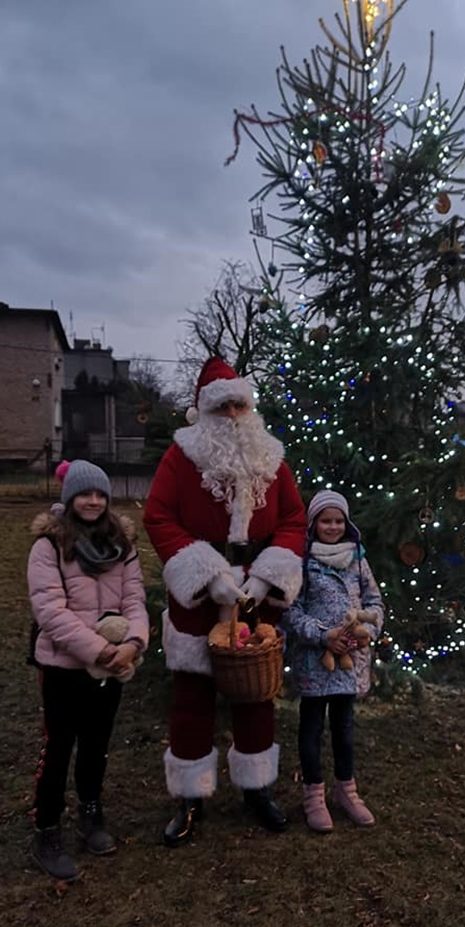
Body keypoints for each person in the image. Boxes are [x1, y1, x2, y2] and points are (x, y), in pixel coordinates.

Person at [143, 356, 306, 847]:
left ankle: (256, 788)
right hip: (200, 593)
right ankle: (190, 798)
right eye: (224, 406)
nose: (234, 414)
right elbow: (158, 517)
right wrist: (207, 574)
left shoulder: (272, 458)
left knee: (255, 695)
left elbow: (294, 520)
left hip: (256, 592)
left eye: (241, 404)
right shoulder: (180, 457)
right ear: (205, 411)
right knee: (192, 697)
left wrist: (266, 578)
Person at [27, 459, 149, 881]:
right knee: (59, 747)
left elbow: (134, 600)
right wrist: (99, 651)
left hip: (113, 667)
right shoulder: (49, 546)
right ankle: (46, 829)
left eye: (100, 494)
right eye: (84, 494)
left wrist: (133, 644)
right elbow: (50, 612)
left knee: (97, 744)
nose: (93, 501)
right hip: (64, 668)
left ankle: (91, 812)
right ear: (70, 498)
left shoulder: (123, 545)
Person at [283, 490, 384, 833]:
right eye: (325, 520)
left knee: (344, 728)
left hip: (350, 660)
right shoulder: (303, 562)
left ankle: (347, 790)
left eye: (338, 520)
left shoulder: (358, 558)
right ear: (314, 524)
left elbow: (374, 600)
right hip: (316, 660)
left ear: (347, 523)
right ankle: (313, 794)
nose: (332, 526)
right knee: (311, 728)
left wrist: (366, 630)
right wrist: (322, 635)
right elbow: (291, 611)